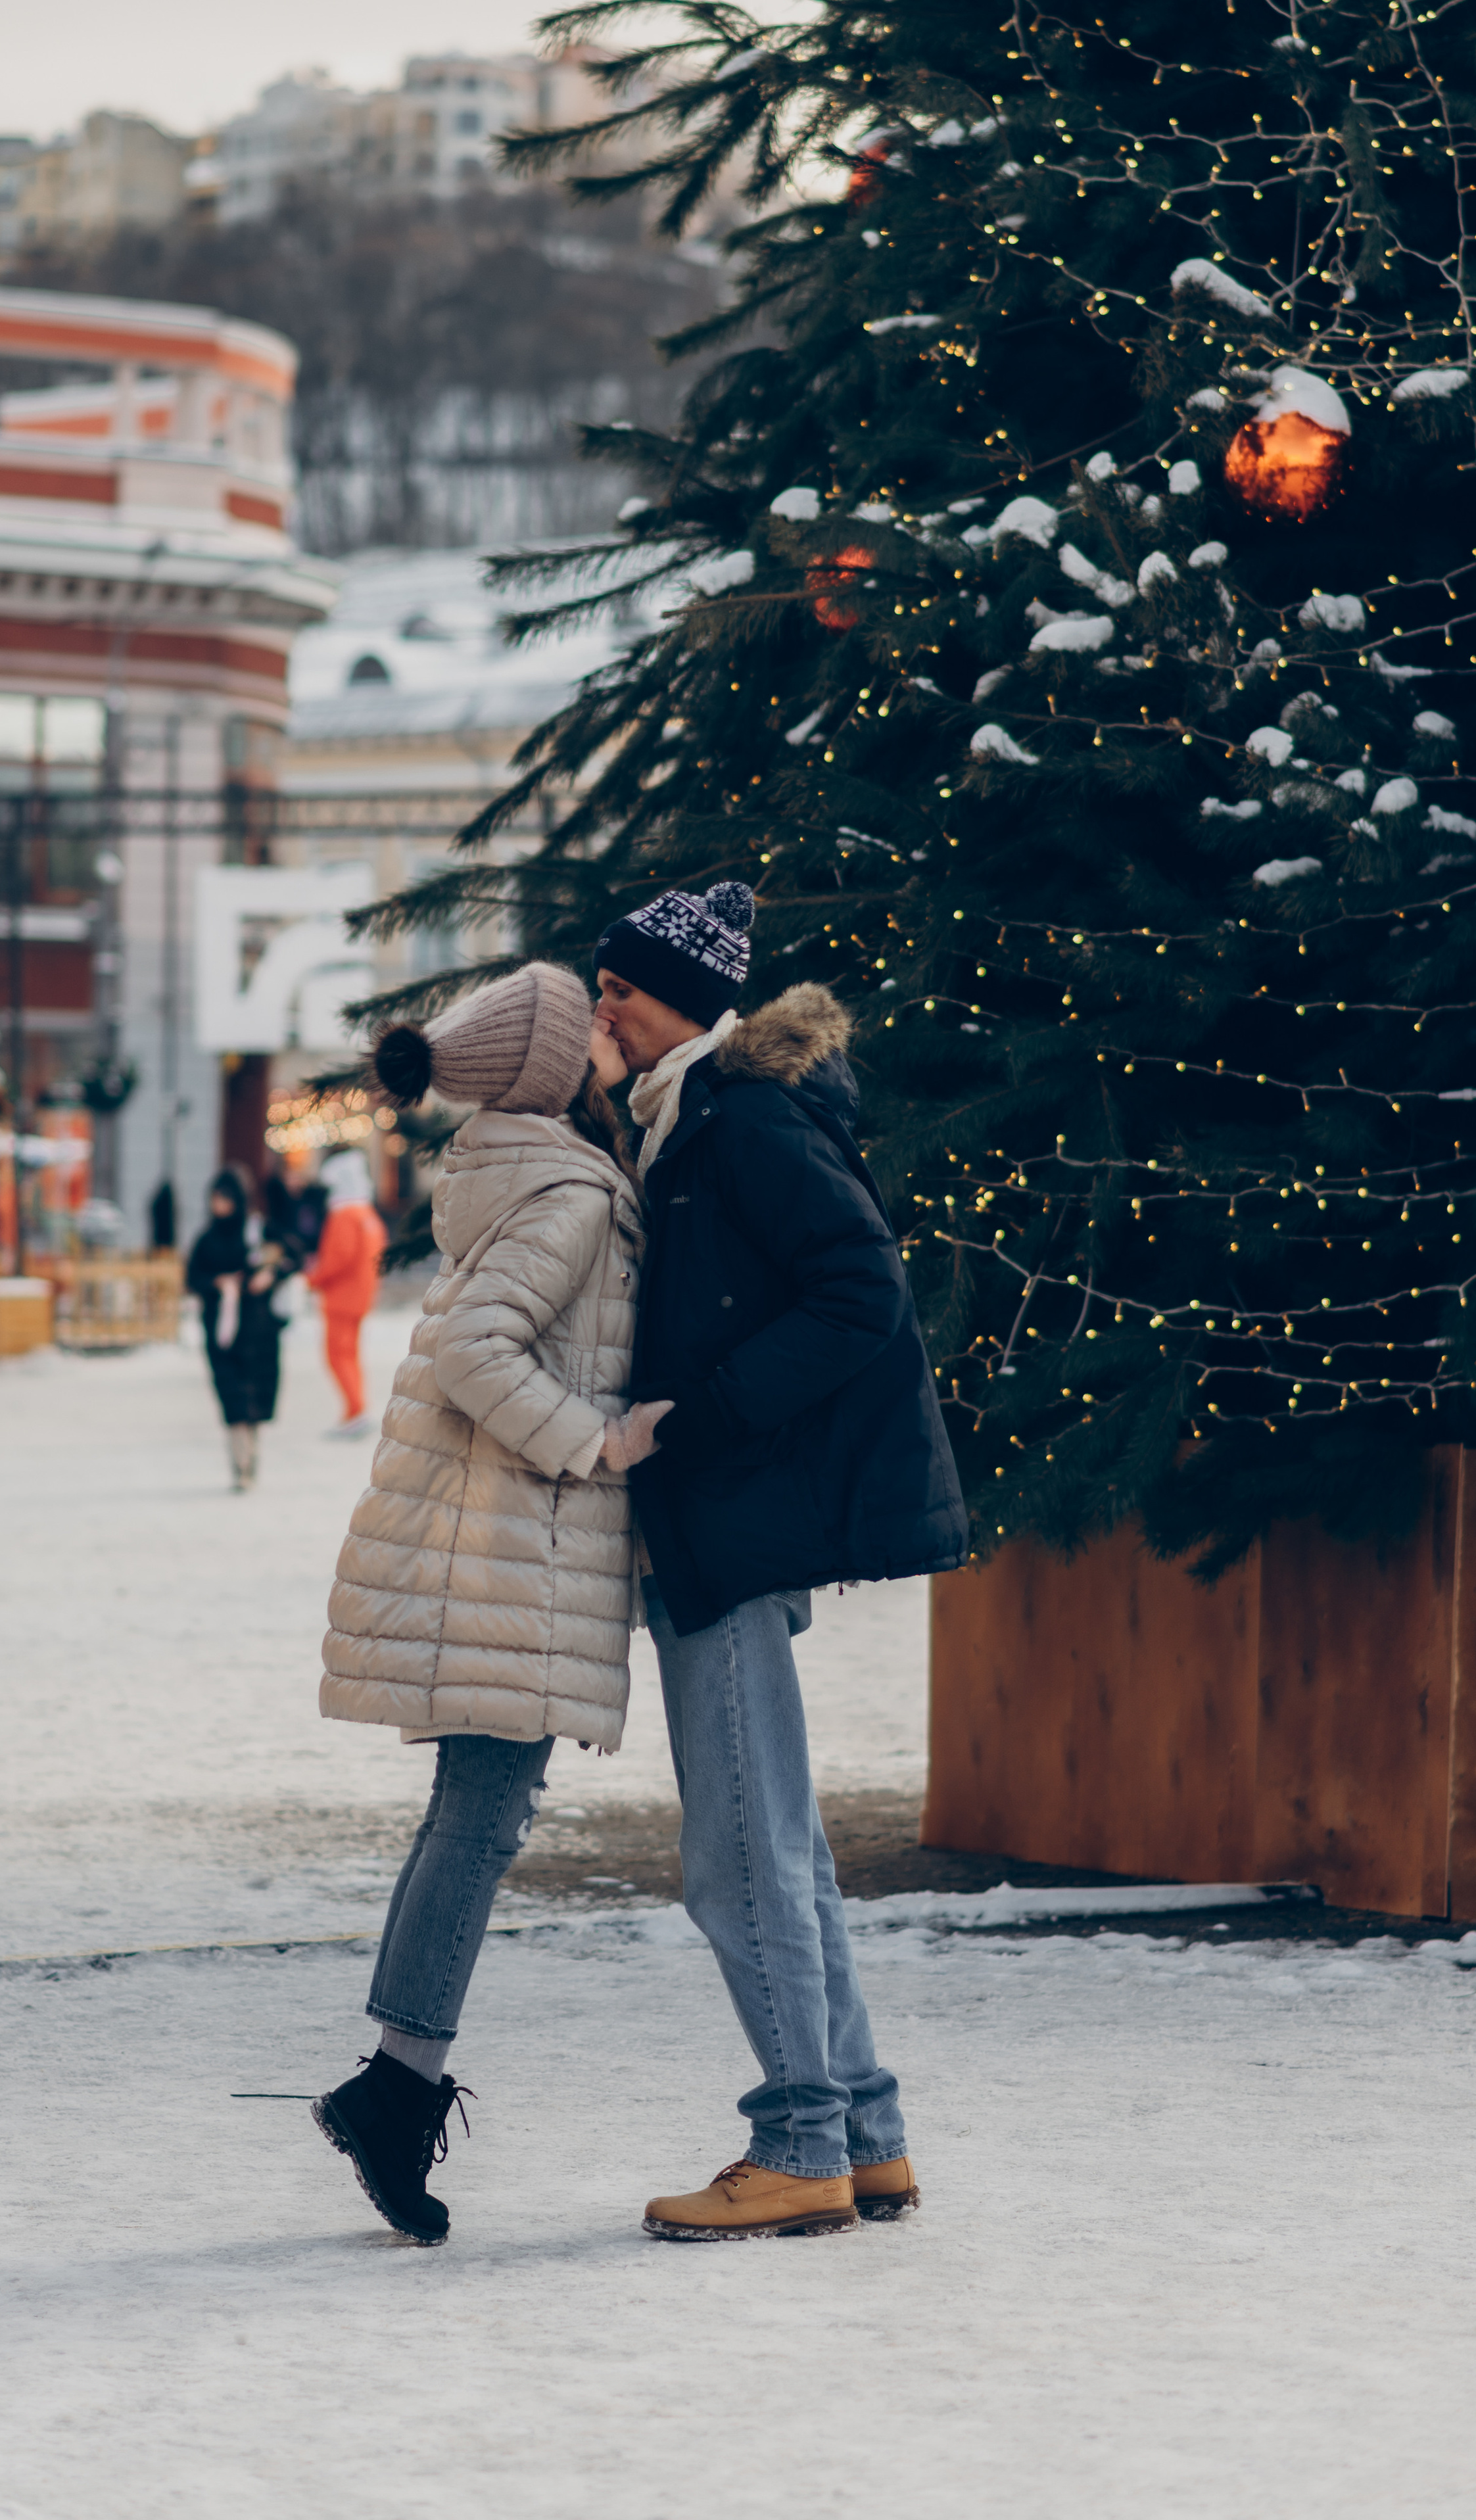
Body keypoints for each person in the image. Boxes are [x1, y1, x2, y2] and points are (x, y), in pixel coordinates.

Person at [592, 880, 970, 2242]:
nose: (601, 1009)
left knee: (739, 1855)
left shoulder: (738, 1116)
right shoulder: (680, 1114)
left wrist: (698, 1419)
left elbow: (861, 1294)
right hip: (724, 1514)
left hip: (732, 1515)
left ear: (683, 1002)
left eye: (619, 990)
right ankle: (862, 2133)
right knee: (782, 1846)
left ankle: (801, 2141)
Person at [312, 963, 665, 2245]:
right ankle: (393, 2089)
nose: (606, 1034)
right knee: (481, 1816)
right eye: (586, 1026)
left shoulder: (508, 1165)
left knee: (472, 1810)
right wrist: (597, 1441)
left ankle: (393, 2083)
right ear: (549, 1068)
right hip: (513, 1545)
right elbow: (475, 1350)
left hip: (490, 1543)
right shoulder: (565, 1188)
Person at [185, 1165, 299, 1490]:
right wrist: (218, 1283)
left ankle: (249, 1460)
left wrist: (270, 1275)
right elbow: (193, 1277)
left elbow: (294, 1256)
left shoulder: (259, 1230)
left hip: (259, 1331)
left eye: (225, 1198)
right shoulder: (207, 1238)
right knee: (232, 1397)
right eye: (215, 1198)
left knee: (255, 1398)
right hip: (221, 1332)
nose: (218, 1205)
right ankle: (241, 1466)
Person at [305, 1146, 388, 1438]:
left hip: (341, 1297)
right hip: (361, 1295)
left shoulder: (344, 1216)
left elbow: (338, 1258)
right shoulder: (367, 1214)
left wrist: (311, 1279)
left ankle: (356, 1410)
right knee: (350, 1354)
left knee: (337, 1356)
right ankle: (355, 1410)